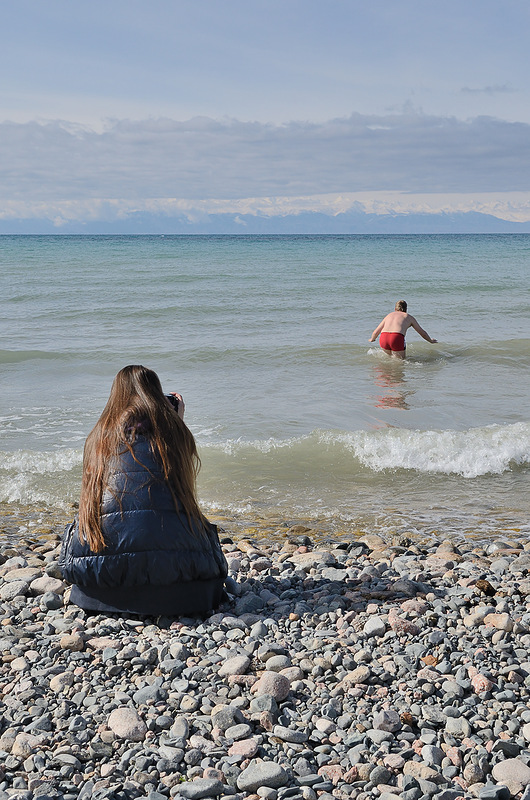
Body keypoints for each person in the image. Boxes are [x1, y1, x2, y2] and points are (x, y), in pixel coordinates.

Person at [59, 365, 228, 616]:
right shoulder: (172, 434)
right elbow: (180, 495)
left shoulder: (98, 437)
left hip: (97, 584)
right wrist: (178, 422)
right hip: (186, 592)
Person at [370, 300, 437, 358]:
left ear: (395, 309)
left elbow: (375, 332)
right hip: (396, 337)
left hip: (384, 337)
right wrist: (430, 340)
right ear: (406, 309)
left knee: (389, 360)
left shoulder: (389, 315)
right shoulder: (408, 317)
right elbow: (422, 333)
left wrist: (372, 339)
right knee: (399, 363)